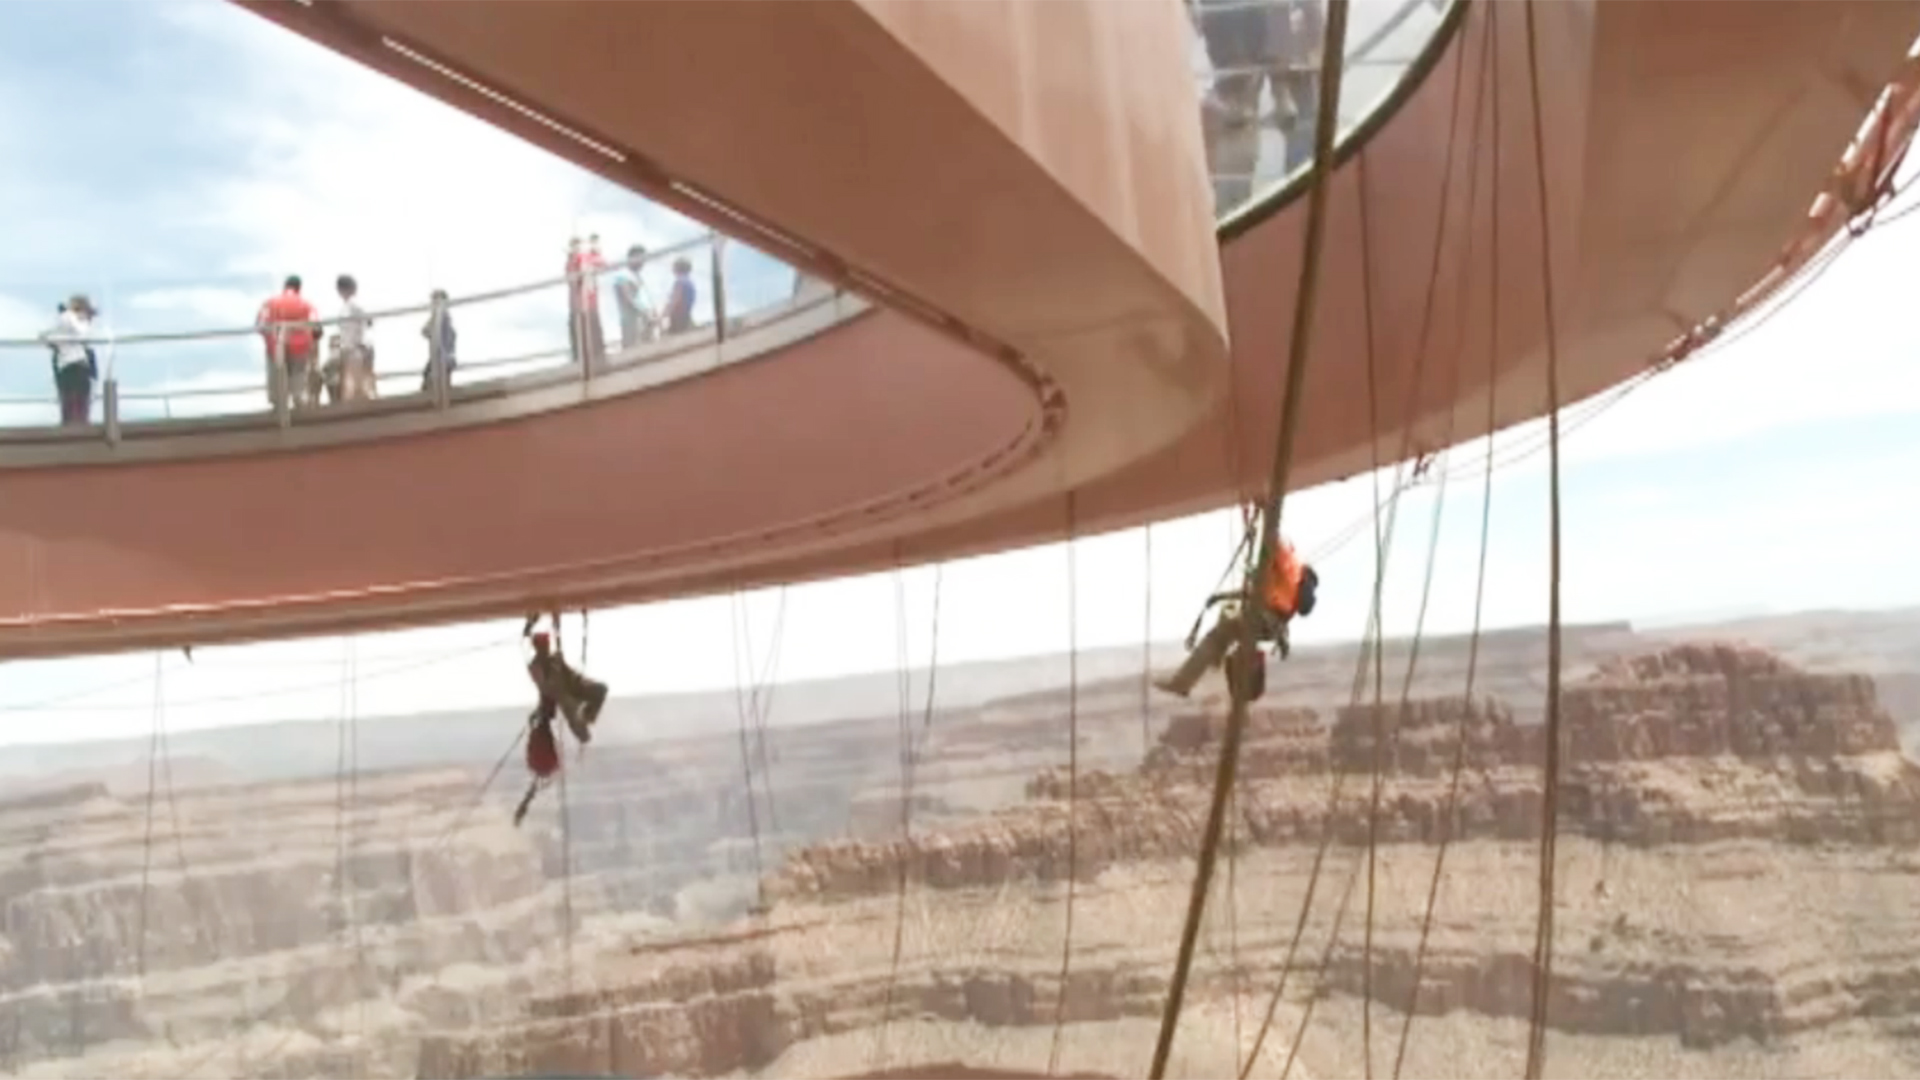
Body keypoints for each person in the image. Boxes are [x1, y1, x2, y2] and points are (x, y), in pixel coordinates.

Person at [1155, 536, 1319, 699]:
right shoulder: (1286, 582)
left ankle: (1186, 680)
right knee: (1226, 622)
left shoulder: (1291, 569)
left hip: (1263, 620)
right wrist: (1220, 596)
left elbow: (1274, 541)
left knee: (1219, 633)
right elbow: (1252, 594)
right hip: (1269, 625)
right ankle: (1206, 664)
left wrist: (1260, 519)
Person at [257, 276, 320, 411]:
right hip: (301, 346)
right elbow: (317, 328)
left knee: (277, 375)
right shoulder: (306, 304)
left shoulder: (269, 303)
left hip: (276, 344)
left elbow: (260, 325)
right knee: (298, 374)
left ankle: (278, 404)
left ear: (284, 286)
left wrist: (269, 339)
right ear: (299, 288)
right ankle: (299, 401)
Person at [40, 295, 97, 427]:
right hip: (74, 366)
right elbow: (81, 334)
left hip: (71, 367)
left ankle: (74, 425)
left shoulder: (68, 325)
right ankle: (75, 426)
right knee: (74, 402)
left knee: (74, 403)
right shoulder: (70, 322)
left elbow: (47, 338)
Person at [325, 274, 377, 404]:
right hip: (354, 347)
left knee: (356, 384)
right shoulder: (350, 305)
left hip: (356, 347)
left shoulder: (353, 304)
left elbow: (369, 319)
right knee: (358, 383)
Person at [613, 244, 654, 350]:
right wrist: (643, 313)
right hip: (632, 320)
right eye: (641, 258)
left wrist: (652, 313)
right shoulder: (622, 275)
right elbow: (627, 298)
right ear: (633, 257)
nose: (643, 262)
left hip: (645, 319)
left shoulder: (638, 276)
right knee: (633, 349)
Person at [420, 289, 457, 394]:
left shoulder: (441, 317)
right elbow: (424, 331)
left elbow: (425, 331)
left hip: (442, 357)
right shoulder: (443, 318)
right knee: (431, 378)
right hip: (441, 357)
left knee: (432, 380)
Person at [663, 256, 697, 335]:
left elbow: (675, 300)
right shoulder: (690, 283)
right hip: (686, 316)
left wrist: (664, 315)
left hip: (678, 318)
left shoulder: (680, 282)